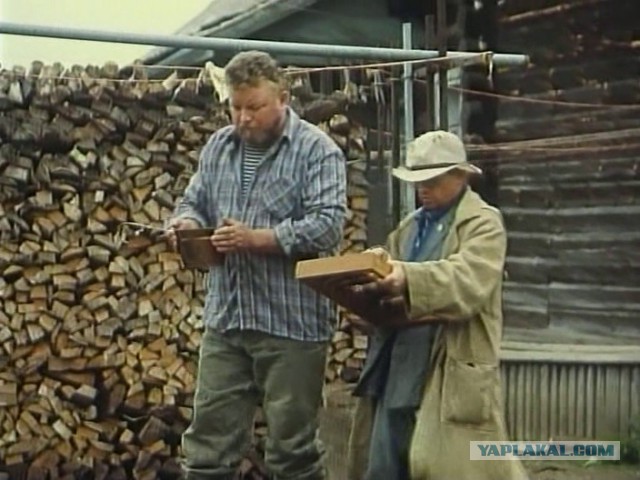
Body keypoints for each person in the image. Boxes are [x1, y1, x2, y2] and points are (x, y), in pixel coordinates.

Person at [166, 50, 347, 480]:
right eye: (235, 107)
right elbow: (193, 201)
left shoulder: (317, 151)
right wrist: (186, 224)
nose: (243, 118)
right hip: (228, 319)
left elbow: (327, 226)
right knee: (207, 448)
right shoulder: (219, 147)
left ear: (282, 98)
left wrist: (257, 239)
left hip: (291, 323)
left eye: (254, 107)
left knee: (292, 452)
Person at [347, 130, 528, 479]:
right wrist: (369, 286)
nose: (422, 190)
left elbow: (467, 280)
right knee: (385, 463)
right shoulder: (409, 228)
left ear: (460, 176)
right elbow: (392, 275)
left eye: (431, 181)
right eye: (418, 182)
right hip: (398, 360)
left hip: (448, 362)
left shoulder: (483, 224)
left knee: (447, 465)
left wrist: (407, 278)